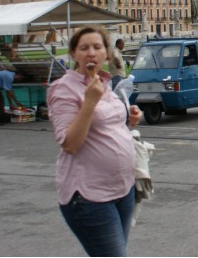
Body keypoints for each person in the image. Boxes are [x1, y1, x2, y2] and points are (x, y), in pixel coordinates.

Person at [48, 26, 142, 257]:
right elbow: (70, 144)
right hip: (89, 196)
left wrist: (129, 120)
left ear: (105, 54)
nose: (91, 52)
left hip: (123, 190)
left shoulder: (104, 83)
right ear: (74, 54)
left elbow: (105, 127)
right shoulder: (63, 89)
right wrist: (89, 102)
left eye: (97, 47)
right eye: (84, 48)